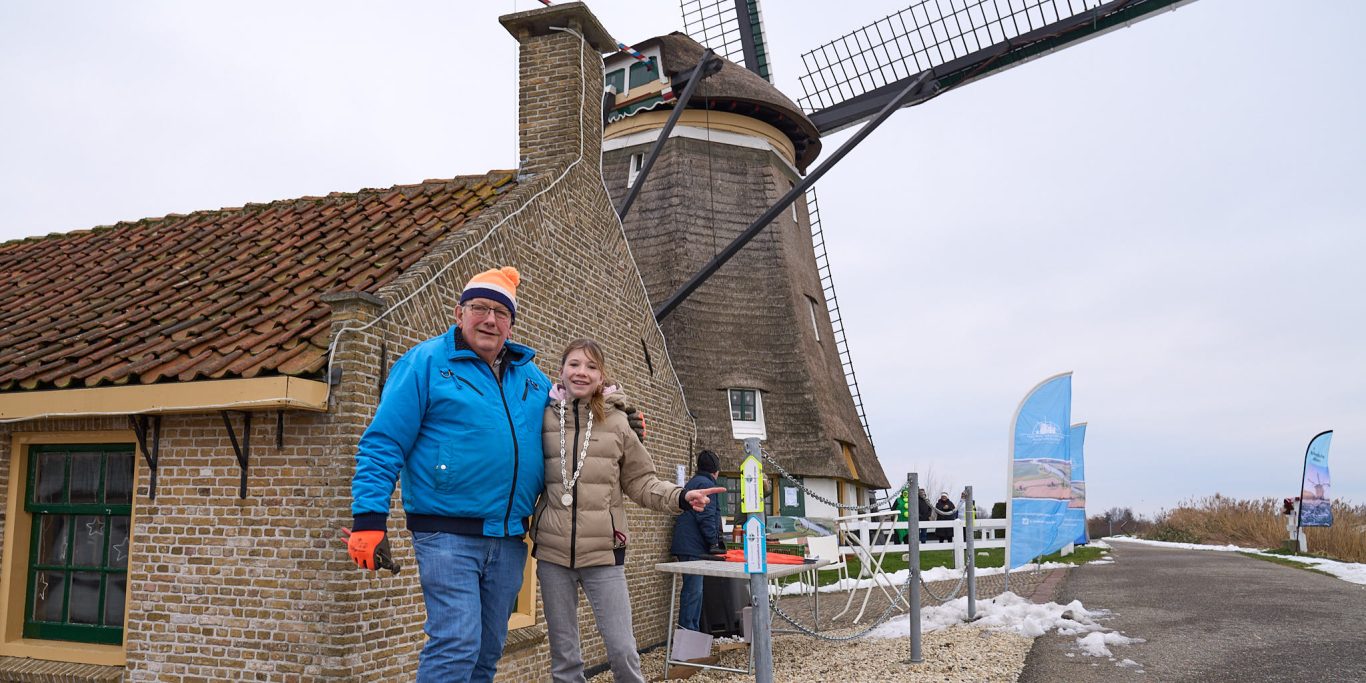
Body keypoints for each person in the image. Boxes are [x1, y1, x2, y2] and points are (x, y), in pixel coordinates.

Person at [348, 266, 551, 683]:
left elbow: (577, 419)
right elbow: (383, 442)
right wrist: (368, 519)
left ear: (511, 324)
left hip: (509, 538)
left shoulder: (532, 378)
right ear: (459, 313)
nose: (490, 319)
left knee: (487, 651)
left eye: (500, 312)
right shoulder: (424, 363)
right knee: (456, 643)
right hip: (446, 534)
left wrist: (619, 420)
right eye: (480, 308)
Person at [531, 338, 724, 683]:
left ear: (602, 376)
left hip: (604, 553)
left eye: (591, 366)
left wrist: (681, 497)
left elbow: (641, 481)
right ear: (561, 371)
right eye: (574, 364)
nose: (581, 372)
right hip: (552, 554)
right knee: (564, 658)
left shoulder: (619, 423)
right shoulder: (541, 418)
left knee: (622, 650)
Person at [670, 449, 725, 632]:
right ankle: (688, 634)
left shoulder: (695, 482)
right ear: (716, 471)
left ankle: (691, 632)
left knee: (694, 592)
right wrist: (714, 542)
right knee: (693, 592)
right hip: (693, 547)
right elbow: (707, 517)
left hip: (689, 544)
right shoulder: (707, 485)